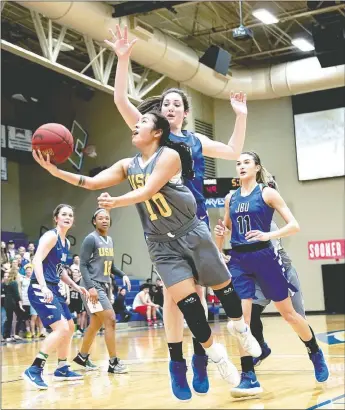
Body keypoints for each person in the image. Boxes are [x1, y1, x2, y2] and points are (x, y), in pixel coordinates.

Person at [32, 111, 260, 401]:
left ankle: (241, 328)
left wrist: (116, 201)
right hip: (161, 245)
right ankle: (217, 357)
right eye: (136, 122)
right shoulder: (128, 165)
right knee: (189, 305)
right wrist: (56, 172)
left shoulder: (170, 155)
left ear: (157, 132)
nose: (136, 125)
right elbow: (91, 182)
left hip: (192, 231)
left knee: (225, 291)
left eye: (143, 123)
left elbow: (148, 190)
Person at [106, 24, 252, 397]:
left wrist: (240, 114)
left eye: (176, 104)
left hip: (196, 221)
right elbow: (121, 102)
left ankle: (203, 359)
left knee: (199, 297)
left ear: (185, 113)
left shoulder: (196, 140)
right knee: (174, 296)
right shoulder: (154, 135)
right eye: (165, 104)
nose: (169, 108)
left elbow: (235, 151)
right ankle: (178, 363)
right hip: (162, 226)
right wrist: (123, 59)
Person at [214, 151, 329, 397]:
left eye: (246, 162)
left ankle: (314, 351)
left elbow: (294, 225)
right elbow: (227, 227)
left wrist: (268, 235)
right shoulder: (230, 198)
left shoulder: (267, 193)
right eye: (238, 163)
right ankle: (248, 376)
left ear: (257, 167)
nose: (241, 166)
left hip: (266, 258)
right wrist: (219, 234)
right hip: (239, 260)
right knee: (241, 322)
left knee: (289, 315)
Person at [215, 215, 307, 367]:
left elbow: (292, 227)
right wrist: (220, 250)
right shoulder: (236, 213)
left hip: (279, 269)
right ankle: (261, 347)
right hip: (256, 273)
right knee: (250, 314)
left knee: (295, 318)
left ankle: (313, 350)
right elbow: (223, 233)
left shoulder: (264, 214)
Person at [23, 204, 89, 390]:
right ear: (56, 218)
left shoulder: (65, 242)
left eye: (70, 215)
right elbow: (36, 260)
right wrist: (43, 287)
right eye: (64, 214)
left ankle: (62, 368)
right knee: (60, 329)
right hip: (40, 287)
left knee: (69, 327)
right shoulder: (50, 236)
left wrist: (75, 285)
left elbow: (59, 269)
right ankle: (34, 369)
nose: (68, 217)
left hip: (54, 288)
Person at [73, 209, 131, 374]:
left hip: (103, 285)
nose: (104, 220)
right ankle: (113, 362)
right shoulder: (90, 239)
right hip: (92, 285)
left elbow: (110, 266)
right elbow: (82, 264)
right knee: (111, 319)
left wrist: (123, 274)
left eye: (107, 218)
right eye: (100, 218)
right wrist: (90, 288)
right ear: (94, 221)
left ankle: (82, 356)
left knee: (96, 323)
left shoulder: (109, 240)